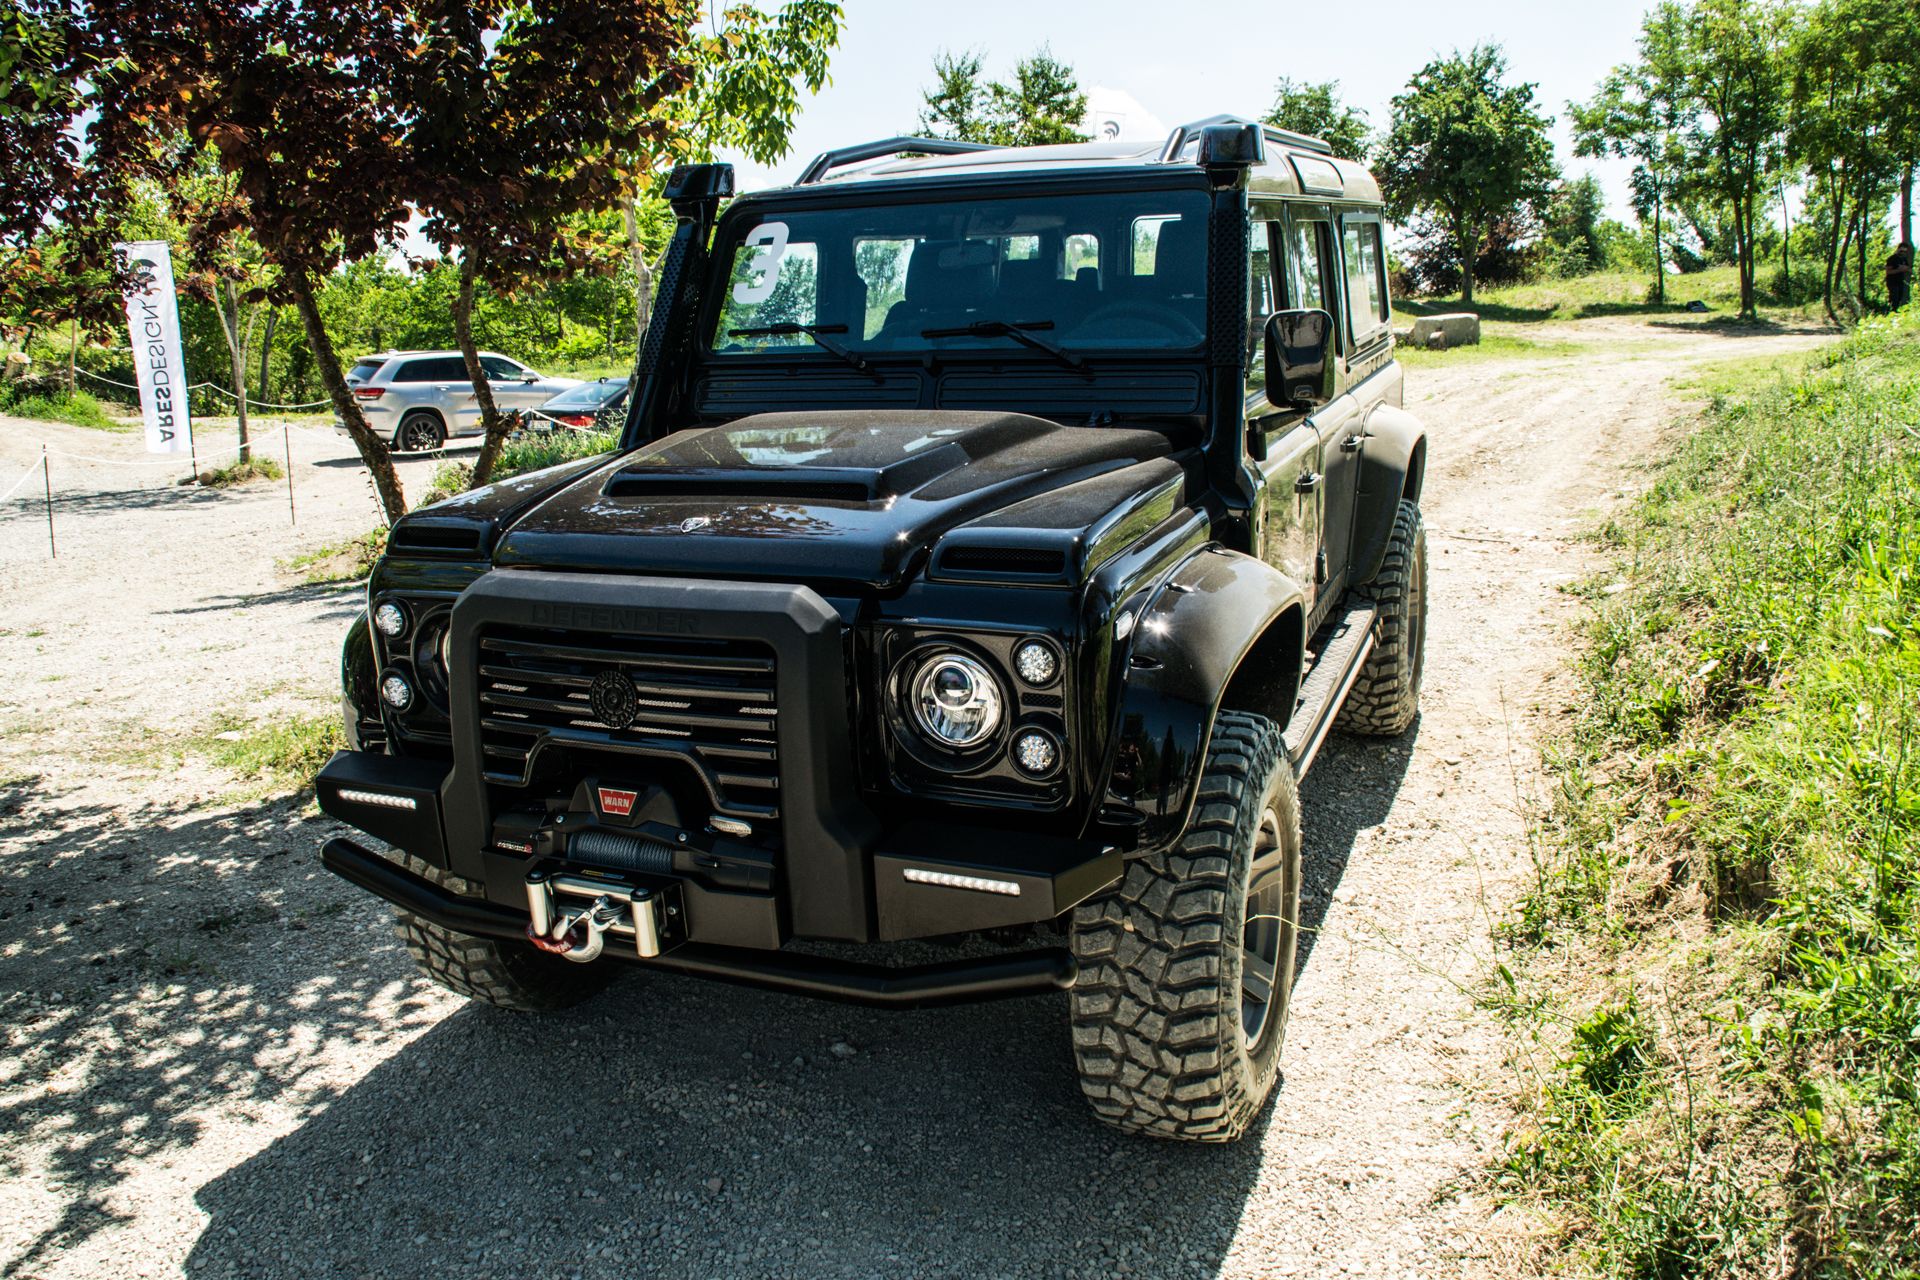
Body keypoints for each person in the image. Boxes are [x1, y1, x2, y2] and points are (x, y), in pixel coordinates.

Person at [1888, 241, 1914, 311]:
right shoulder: (1892, 258)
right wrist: (1900, 270)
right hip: (1892, 282)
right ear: (1899, 249)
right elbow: (1888, 271)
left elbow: (1908, 268)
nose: (1903, 253)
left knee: (1899, 298)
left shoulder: (1903, 259)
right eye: (1902, 251)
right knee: (1894, 299)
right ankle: (1891, 312)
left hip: (1900, 281)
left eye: (1905, 252)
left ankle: (1895, 312)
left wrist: (1904, 268)